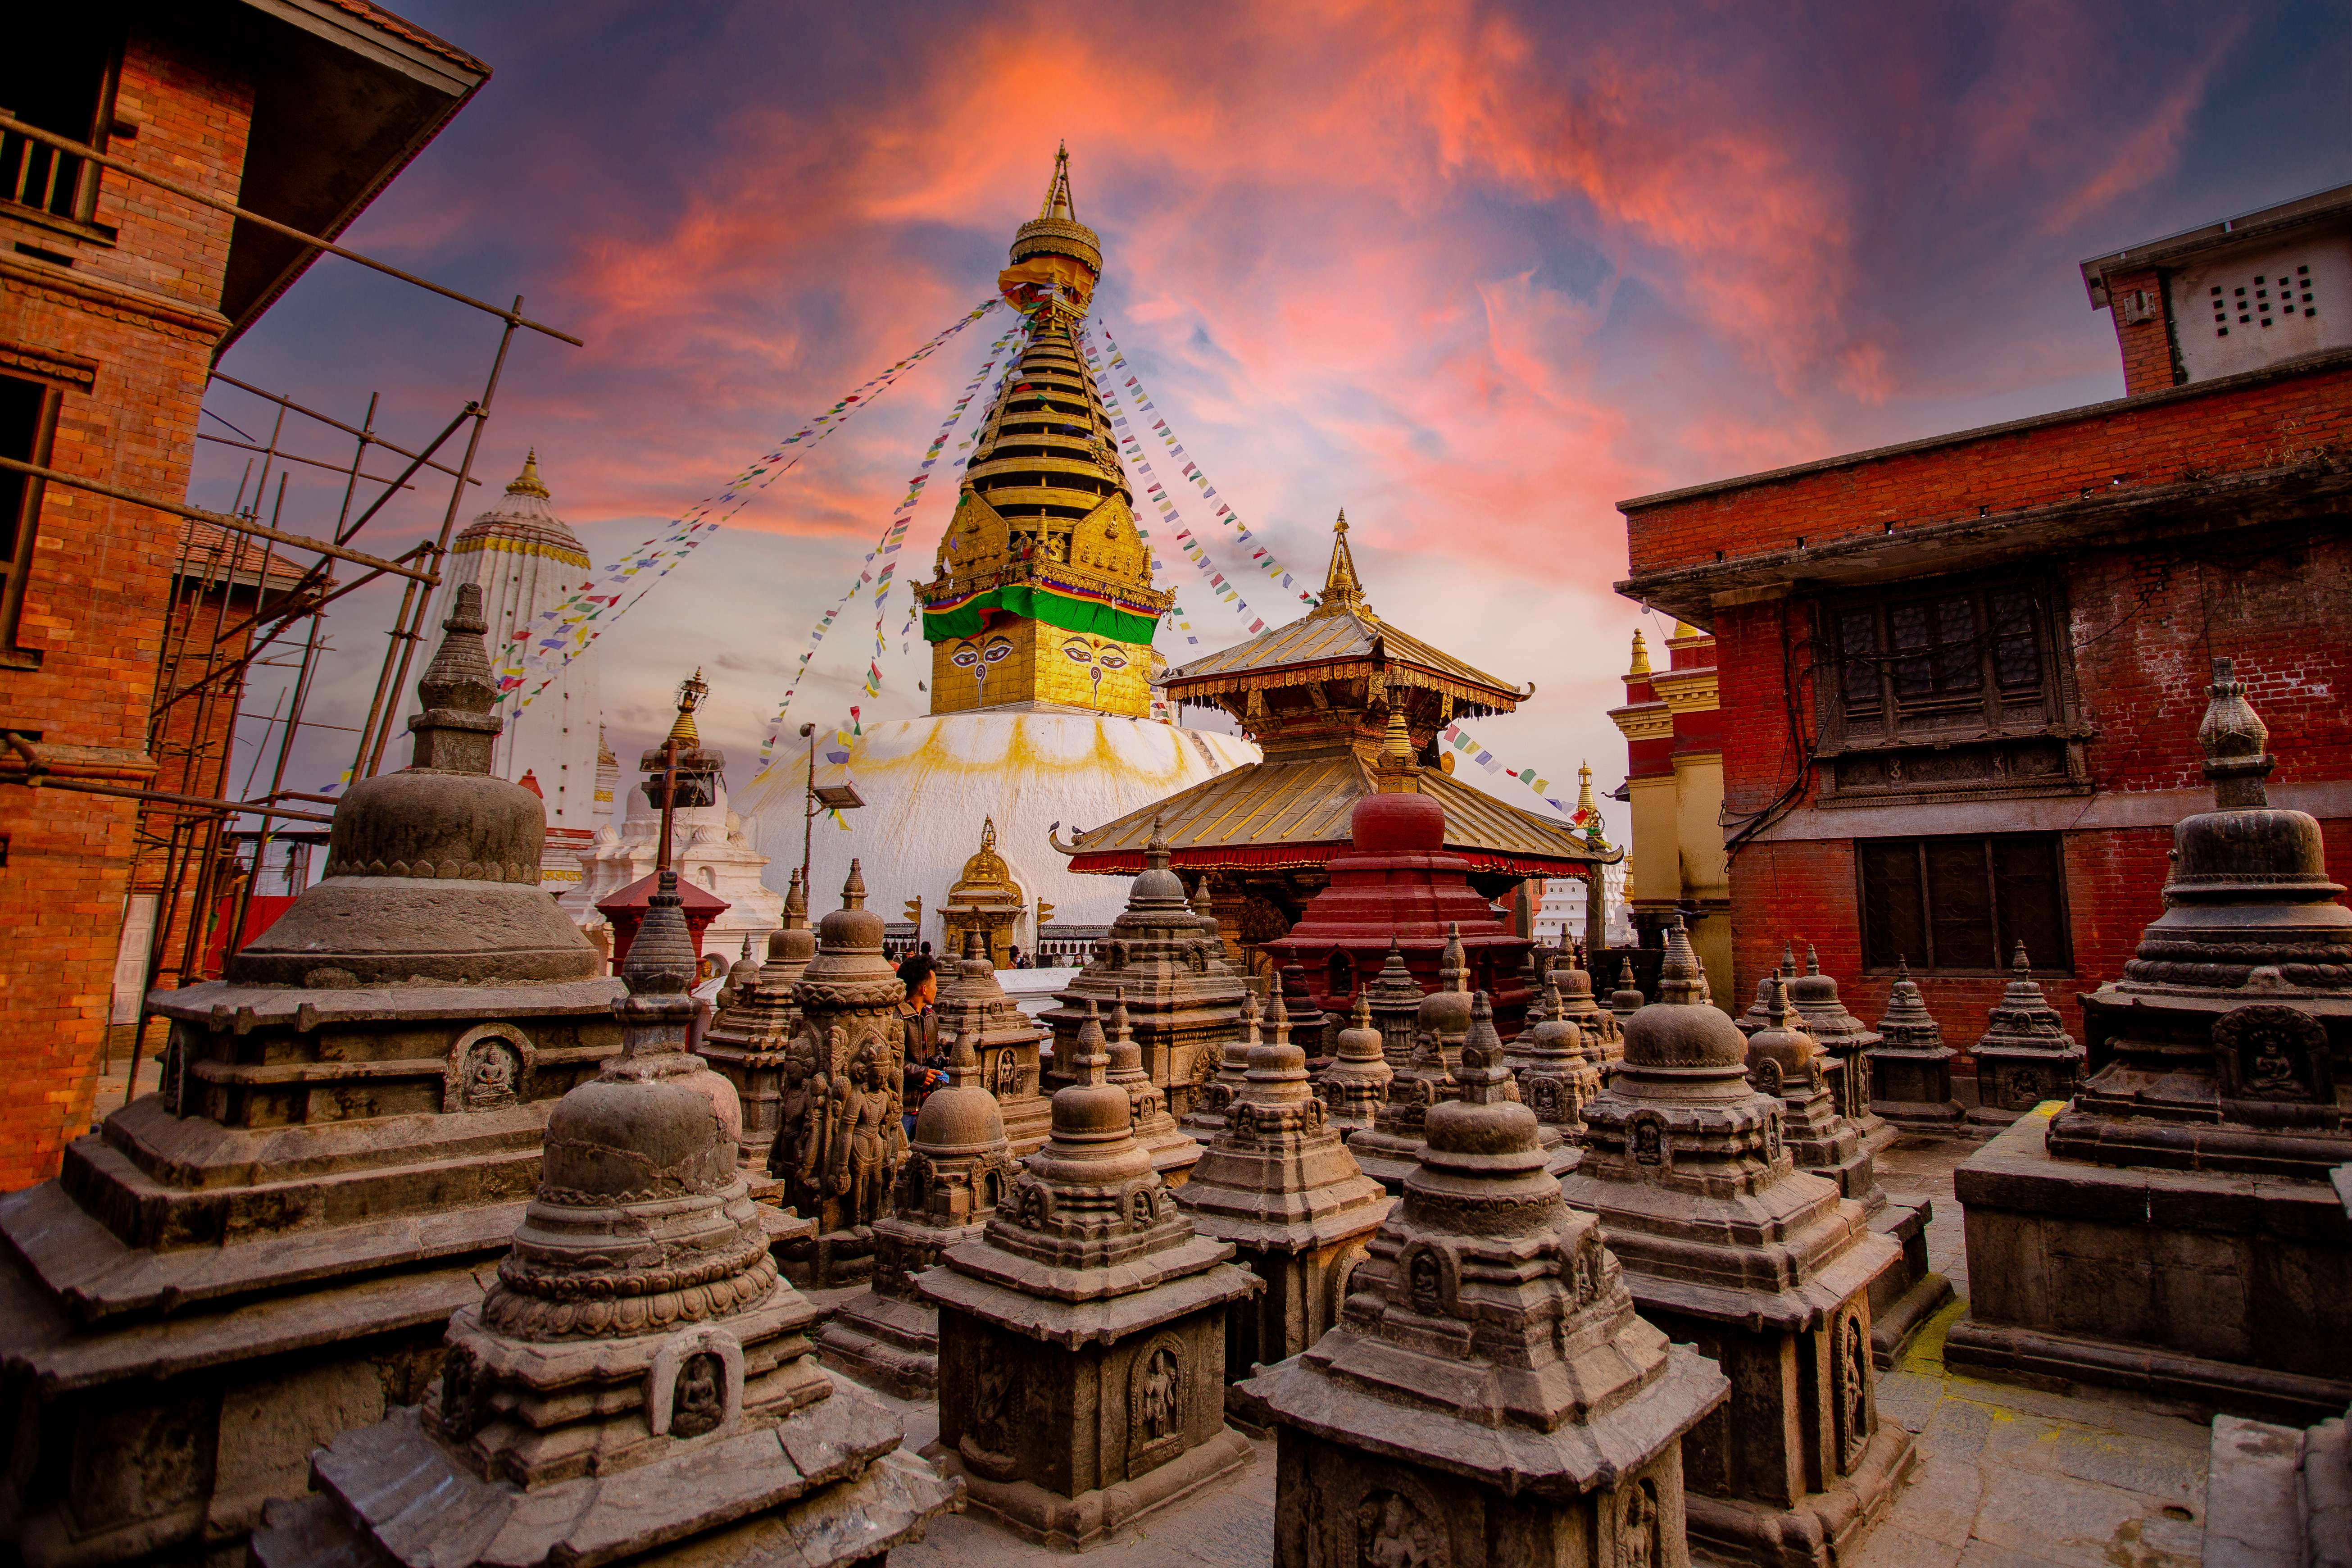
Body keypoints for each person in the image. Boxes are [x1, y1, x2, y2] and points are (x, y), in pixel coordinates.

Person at [896, 953, 944, 1136]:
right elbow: (891, 1060)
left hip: (927, 1104)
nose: (936, 989)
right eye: (935, 985)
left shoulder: (930, 1016)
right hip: (904, 1105)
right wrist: (920, 1074)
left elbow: (937, 1047)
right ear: (924, 989)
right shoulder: (898, 1017)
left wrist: (939, 1062)